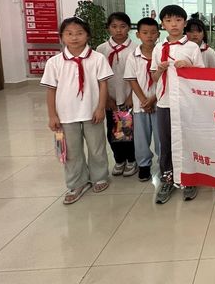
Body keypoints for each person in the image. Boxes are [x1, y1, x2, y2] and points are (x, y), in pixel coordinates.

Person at [41, 17, 112, 204]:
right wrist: (52, 115)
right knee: (71, 151)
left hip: (92, 112)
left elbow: (103, 85)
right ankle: (76, 182)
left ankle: (99, 176)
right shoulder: (54, 62)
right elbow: (51, 90)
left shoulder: (98, 58)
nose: (74, 38)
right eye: (69, 34)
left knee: (96, 147)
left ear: (87, 35)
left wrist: (100, 108)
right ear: (62, 37)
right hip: (66, 115)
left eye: (79, 33)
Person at [151, 5, 204, 204]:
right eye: (168, 21)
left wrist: (189, 67)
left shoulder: (192, 47)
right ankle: (167, 178)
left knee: (187, 140)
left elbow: (201, 76)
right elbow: (154, 77)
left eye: (178, 20)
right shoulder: (158, 48)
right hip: (164, 102)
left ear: (184, 23)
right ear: (162, 24)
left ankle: (189, 178)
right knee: (165, 143)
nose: (173, 24)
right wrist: (160, 70)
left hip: (186, 103)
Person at [96, 12, 137, 177]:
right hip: (110, 98)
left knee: (128, 131)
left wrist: (131, 97)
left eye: (123, 26)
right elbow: (98, 77)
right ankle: (119, 160)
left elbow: (139, 76)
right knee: (113, 131)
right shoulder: (101, 50)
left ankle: (131, 160)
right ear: (108, 28)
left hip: (128, 98)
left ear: (129, 28)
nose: (118, 30)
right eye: (114, 26)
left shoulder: (135, 49)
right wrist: (106, 98)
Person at [124, 17, 161, 182]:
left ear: (158, 34)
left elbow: (165, 80)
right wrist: (144, 100)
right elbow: (132, 80)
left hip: (160, 102)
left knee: (161, 136)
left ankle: (163, 163)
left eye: (153, 32)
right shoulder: (133, 56)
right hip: (140, 105)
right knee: (141, 137)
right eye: (145, 33)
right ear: (138, 34)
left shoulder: (162, 53)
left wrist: (153, 99)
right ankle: (144, 165)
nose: (149, 36)